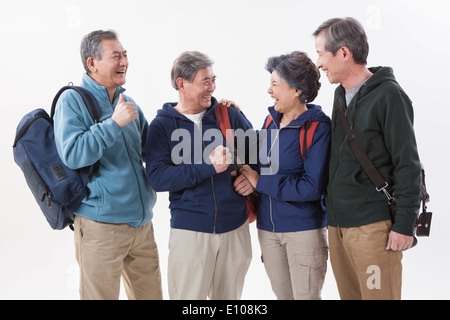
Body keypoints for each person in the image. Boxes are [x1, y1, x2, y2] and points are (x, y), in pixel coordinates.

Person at [313, 17, 421, 300]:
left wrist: (405, 225)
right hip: (338, 225)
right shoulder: (339, 95)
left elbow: (408, 165)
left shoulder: (390, 96)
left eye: (321, 53)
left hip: (372, 228)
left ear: (344, 53)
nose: (318, 63)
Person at [53, 30, 162, 300]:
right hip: (101, 227)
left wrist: (194, 113)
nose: (124, 61)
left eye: (125, 54)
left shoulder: (129, 103)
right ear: (92, 64)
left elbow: (154, 150)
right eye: (116, 56)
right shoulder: (72, 100)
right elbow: (73, 153)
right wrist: (113, 124)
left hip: (142, 226)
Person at [145, 51, 253, 300]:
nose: (212, 88)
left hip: (234, 229)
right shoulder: (162, 125)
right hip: (189, 233)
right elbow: (158, 178)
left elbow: (262, 157)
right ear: (182, 84)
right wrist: (207, 167)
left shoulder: (229, 115)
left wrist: (250, 178)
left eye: (214, 80)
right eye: (205, 81)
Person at [235, 51, 331, 300]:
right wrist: (237, 117)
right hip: (268, 230)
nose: (269, 90)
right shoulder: (270, 122)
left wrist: (260, 181)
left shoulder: (318, 129)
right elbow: (258, 162)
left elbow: (311, 187)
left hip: (303, 232)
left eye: (275, 84)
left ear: (297, 89)